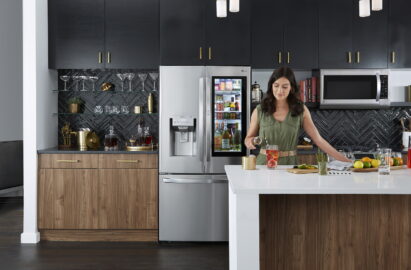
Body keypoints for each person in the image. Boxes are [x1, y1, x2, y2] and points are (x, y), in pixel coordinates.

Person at [244, 67, 351, 165]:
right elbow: (248, 139)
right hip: (264, 164)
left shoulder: (301, 110)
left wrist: (347, 161)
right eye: (276, 86)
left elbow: (318, 140)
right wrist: (251, 141)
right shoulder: (260, 110)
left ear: (291, 88)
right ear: (271, 86)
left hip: (290, 165)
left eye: (285, 87)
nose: (280, 91)